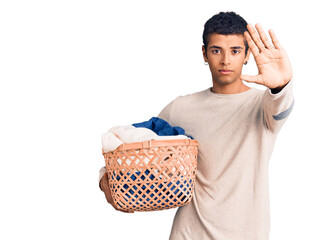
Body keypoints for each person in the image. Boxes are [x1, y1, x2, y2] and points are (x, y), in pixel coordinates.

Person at [99, 11, 294, 240]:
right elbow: (132, 145)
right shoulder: (181, 108)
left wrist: (281, 86)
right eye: (216, 50)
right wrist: (105, 180)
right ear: (204, 53)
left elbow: (280, 103)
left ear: (247, 55)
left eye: (235, 51)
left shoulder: (262, 106)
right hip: (188, 234)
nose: (225, 60)